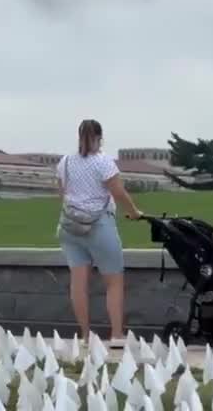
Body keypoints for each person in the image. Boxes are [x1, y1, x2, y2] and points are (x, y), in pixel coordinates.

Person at [56, 118, 143, 344]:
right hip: (98, 224)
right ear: (100, 138)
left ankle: (85, 335)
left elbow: (62, 194)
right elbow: (118, 192)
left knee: (78, 283)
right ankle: (116, 335)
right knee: (113, 281)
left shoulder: (64, 162)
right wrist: (133, 212)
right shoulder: (104, 162)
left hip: (69, 226)